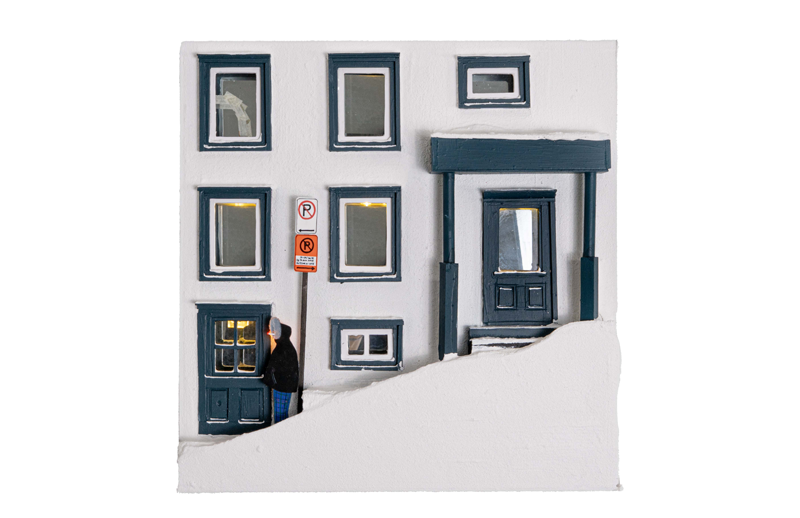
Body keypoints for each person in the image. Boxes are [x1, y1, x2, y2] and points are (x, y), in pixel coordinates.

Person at [264, 317, 299, 424]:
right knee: (282, 412)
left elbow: (276, 365)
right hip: (285, 385)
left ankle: (280, 431)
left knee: (280, 414)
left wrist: (271, 378)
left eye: (277, 333)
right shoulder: (287, 346)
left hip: (282, 385)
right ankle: (282, 430)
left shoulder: (283, 348)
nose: (274, 336)